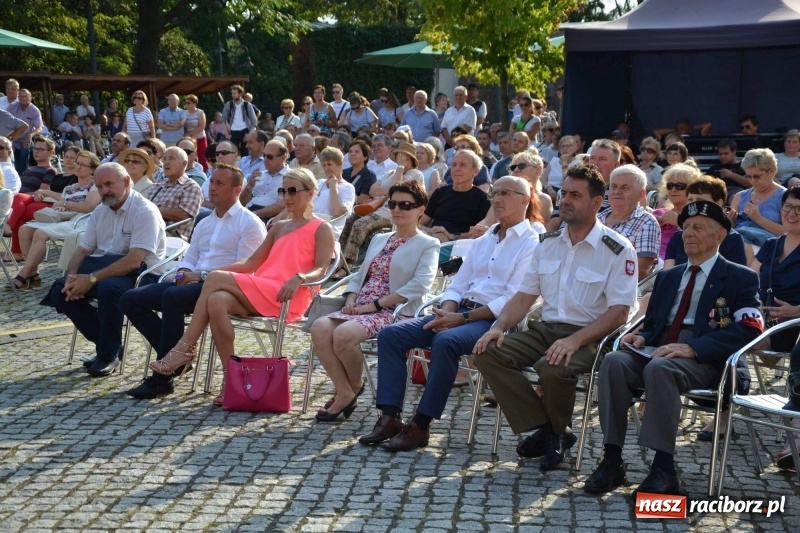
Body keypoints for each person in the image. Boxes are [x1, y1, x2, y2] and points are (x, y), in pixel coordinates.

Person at [583, 200, 763, 496]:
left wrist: (694, 348)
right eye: (686, 227)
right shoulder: (668, 276)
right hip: (662, 350)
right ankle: (612, 459)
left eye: (698, 228)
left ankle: (663, 467)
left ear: (719, 236)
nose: (688, 233)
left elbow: (750, 328)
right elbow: (654, 324)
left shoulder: (740, 277)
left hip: (710, 358)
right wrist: (642, 337)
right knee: (614, 361)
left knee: (660, 367)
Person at [473, 165, 638, 471]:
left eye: (575, 195)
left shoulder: (617, 249)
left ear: (596, 202)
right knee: (487, 352)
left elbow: (620, 312)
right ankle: (552, 430)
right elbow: (524, 297)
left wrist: (575, 340)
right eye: (564, 193)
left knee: (552, 367)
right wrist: (497, 327)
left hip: (590, 335)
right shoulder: (548, 244)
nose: (565, 200)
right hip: (545, 329)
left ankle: (552, 434)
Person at [358, 177, 540, 449]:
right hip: (461, 312)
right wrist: (448, 312)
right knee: (390, 335)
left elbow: (513, 298)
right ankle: (390, 416)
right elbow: (458, 284)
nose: (497, 199)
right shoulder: (484, 239)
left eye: (506, 194)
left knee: (445, 342)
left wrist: (461, 319)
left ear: (525, 200)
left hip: (496, 321)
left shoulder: (531, 242)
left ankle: (421, 425)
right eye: (495, 193)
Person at [148, 168, 336, 405]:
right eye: (283, 190)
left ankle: (184, 348)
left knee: (215, 279)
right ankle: (232, 381)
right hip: (264, 287)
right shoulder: (278, 227)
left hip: (290, 293)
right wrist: (212, 273)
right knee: (216, 300)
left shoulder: (322, 227)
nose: (287, 197)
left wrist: (299, 276)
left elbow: (321, 269)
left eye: (293, 191)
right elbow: (250, 263)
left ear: (310, 194)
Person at [121, 164, 267, 399]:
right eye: (212, 182)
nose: (213, 187)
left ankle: (163, 378)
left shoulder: (249, 223)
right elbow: (189, 258)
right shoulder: (205, 222)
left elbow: (246, 270)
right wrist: (182, 275)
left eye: (220, 183)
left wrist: (201, 276)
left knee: (172, 298)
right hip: (192, 282)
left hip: (224, 287)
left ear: (237, 189)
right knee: (131, 298)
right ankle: (176, 357)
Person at [311, 181, 439, 421]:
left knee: (344, 335)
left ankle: (353, 387)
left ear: (421, 210)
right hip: (361, 306)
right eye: (392, 204)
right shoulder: (380, 238)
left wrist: (376, 305)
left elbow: (420, 284)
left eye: (406, 205)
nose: (397, 209)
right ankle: (346, 391)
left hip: (394, 310)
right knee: (319, 327)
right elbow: (360, 275)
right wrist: (350, 297)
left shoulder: (428, 243)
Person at [41, 163, 167, 377]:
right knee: (60, 290)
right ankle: (108, 345)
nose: (104, 190)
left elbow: (134, 261)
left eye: (109, 184)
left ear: (126, 182)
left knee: (109, 289)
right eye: (99, 186)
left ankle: (108, 354)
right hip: (107, 268)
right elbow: (82, 251)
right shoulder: (101, 210)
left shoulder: (145, 211)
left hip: (144, 274)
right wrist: (72, 278)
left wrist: (90, 279)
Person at [10, 151, 101, 290]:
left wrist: (64, 204)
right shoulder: (69, 188)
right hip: (62, 218)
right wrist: (57, 202)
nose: (78, 166)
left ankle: (24, 274)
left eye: (83, 164)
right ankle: (33, 274)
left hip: (80, 221)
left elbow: (88, 207)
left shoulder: (95, 187)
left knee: (40, 233)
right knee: (24, 230)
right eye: (77, 163)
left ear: (93, 169)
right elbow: (61, 205)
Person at [340, 142, 424, 267]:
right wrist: (389, 192)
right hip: (378, 210)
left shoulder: (416, 174)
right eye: (398, 155)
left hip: (392, 213)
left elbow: (397, 189)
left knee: (361, 224)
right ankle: (337, 259)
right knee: (349, 220)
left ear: (410, 158)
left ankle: (348, 264)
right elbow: (372, 190)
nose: (398, 158)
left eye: (402, 155)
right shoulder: (391, 173)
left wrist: (400, 169)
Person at [664, 176, 747, 268]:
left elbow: (737, 276)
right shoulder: (678, 237)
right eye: (690, 200)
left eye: (700, 200)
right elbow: (668, 275)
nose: (693, 204)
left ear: (719, 203)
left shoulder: (732, 238)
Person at [599, 165, 661, 280]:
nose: (617, 192)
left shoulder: (647, 222)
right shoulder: (597, 218)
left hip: (619, 291)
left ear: (641, 194)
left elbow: (641, 271)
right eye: (614, 186)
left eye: (624, 188)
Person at [419, 150, 491, 245]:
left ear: (475, 171)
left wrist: (451, 235)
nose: (457, 169)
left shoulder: (482, 199)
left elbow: (479, 233)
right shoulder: (440, 192)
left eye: (463, 165)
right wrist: (432, 231)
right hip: (433, 241)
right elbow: (419, 224)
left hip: (460, 246)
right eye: (454, 165)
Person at [4, 135, 58, 261]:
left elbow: (42, 191)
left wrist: (20, 197)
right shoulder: (30, 169)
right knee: (19, 213)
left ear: (51, 153)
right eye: (35, 149)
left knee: (17, 198)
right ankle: (18, 252)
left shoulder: (50, 171)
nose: (36, 152)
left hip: (37, 199)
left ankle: (8, 225)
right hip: (23, 200)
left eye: (40, 149)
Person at [729, 148, 786, 260]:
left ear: (772, 171)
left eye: (757, 176)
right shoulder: (740, 196)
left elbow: (791, 233)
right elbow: (729, 229)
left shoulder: (785, 197)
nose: (752, 181)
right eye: (748, 176)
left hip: (768, 248)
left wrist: (758, 219)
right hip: (737, 243)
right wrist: (729, 220)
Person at [143, 146, 203, 241]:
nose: (166, 162)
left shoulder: (190, 187)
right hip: (146, 232)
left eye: (172, 158)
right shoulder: (156, 187)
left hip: (171, 239)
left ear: (184, 164)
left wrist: (153, 210)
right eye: (164, 159)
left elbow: (184, 214)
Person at [652, 164, 701, 259]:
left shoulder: (699, 216)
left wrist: (679, 222)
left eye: (679, 186)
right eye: (670, 186)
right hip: (651, 261)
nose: (673, 190)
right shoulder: (657, 214)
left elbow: (704, 243)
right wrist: (651, 225)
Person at [312, 147, 356, 238]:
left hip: (328, 231)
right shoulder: (319, 183)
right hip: (310, 224)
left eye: (329, 164)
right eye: (324, 165)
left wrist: (333, 187)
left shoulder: (348, 188)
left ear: (340, 164)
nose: (326, 168)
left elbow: (337, 212)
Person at [7, 89, 43, 174]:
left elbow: (39, 128)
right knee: (8, 158)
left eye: (26, 96)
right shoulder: (12, 106)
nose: (23, 98)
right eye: (21, 97)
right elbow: (4, 120)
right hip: (11, 137)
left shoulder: (35, 110)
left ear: (30, 98)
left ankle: (23, 175)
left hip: (25, 139)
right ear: (18, 98)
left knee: (23, 156)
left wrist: (31, 135)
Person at [221, 85, 258, 155]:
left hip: (245, 130)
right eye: (232, 93)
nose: (233, 95)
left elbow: (254, 122)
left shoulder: (247, 105)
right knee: (231, 153)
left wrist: (249, 135)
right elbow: (223, 120)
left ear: (240, 94)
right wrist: (227, 135)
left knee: (246, 153)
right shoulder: (229, 104)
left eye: (235, 93)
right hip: (233, 131)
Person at [540, 135, 579, 203]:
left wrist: (564, 163)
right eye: (562, 146)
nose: (565, 149)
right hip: (548, 189)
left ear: (575, 148)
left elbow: (568, 183)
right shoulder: (554, 160)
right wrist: (549, 188)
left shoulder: (577, 164)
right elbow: (543, 178)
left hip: (563, 193)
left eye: (568, 146)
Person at [343, 140, 377, 205]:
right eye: (350, 151)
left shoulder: (369, 176)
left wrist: (343, 197)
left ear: (365, 157)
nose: (352, 154)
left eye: (357, 152)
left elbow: (363, 200)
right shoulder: (343, 173)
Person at [183, 95, 208, 171]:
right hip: (189, 140)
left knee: (202, 157)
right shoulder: (184, 113)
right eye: (186, 103)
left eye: (189, 103)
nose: (187, 104)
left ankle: (205, 173)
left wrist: (189, 134)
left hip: (200, 138)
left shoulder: (200, 112)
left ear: (194, 104)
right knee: (190, 157)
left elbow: (202, 126)